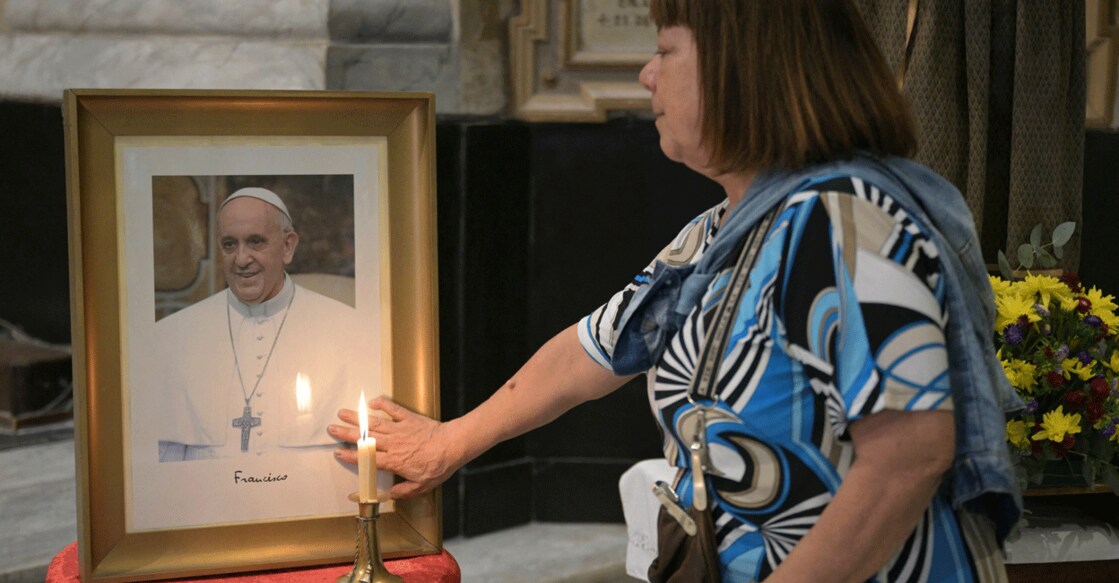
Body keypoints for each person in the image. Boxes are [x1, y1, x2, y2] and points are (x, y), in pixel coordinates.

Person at [330, 1, 1022, 580]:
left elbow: (910, 455)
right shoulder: (723, 228)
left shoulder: (841, 223)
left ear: (740, 72)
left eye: (665, 51)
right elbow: (589, 352)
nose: (645, 75)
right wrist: (448, 442)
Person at [157, 187, 369, 462]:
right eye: (229, 244)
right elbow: (164, 466)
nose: (242, 259)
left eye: (256, 241)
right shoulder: (175, 335)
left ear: (288, 246)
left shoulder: (348, 329)